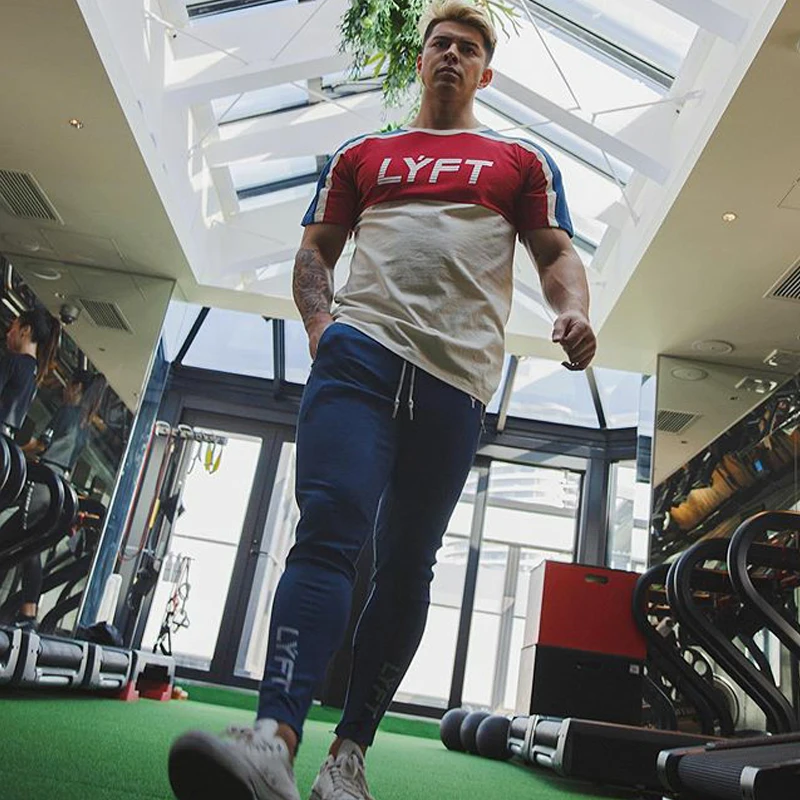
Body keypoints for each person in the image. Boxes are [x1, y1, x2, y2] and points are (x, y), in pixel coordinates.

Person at [168, 2, 597, 799]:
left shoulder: (520, 161)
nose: (452, 55)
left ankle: (348, 756)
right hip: (359, 359)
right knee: (327, 533)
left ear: (486, 72)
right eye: (441, 43)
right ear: (421, 58)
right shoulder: (363, 154)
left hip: (456, 385)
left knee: (406, 569)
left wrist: (572, 309)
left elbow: (555, 254)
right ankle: (273, 739)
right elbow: (316, 251)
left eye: (468, 48)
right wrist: (322, 327)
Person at [11, 370, 107, 630]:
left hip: (44, 483)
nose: (64, 390)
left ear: (76, 388)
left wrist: (15, 451)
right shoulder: (86, 425)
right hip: (60, 488)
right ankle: (28, 613)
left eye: (68, 385)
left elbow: (42, 444)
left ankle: (28, 612)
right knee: (24, 545)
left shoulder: (67, 412)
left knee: (26, 547)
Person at [0, 307, 60, 438]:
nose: (8, 334)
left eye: (13, 327)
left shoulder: (13, 361)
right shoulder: (35, 372)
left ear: (25, 330)